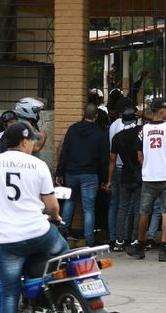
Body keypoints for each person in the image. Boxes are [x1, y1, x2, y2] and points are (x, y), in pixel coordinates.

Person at [0, 122, 68, 313]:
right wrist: (56, 217)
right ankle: (57, 291)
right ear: (24, 142)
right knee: (64, 249)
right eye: (31, 141)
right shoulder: (38, 165)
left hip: (6, 240)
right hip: (38, 233)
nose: (33, 145)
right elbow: (52, 206)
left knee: (9, 293)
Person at [126, 98, 166, 262]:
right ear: (162, 111)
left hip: (149, 177)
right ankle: (163, 249)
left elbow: (139, 156)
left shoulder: (143, 130)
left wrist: (149, 165)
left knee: (144, 211)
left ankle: (140, 244)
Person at [56, 103, 109, 247]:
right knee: (89, 208)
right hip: (90, 175)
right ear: (96, 116)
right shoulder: (100, 133)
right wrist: (105, 179)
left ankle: (63, 234)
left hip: (71, 173)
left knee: (70, 202)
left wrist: (59, 172)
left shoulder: (72, 130)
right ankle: (89, 241)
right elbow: (104, 159)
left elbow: (64, 152)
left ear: (83, 114)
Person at [105, 104, 142, 251]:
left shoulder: (117, 137)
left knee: (122, 208)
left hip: (124, 174)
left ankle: (119, 240)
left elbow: (112, 160)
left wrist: (109, 180)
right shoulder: (140, 133)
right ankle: (133, 239)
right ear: (135, 119)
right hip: (139, 174)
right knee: (138, 209)